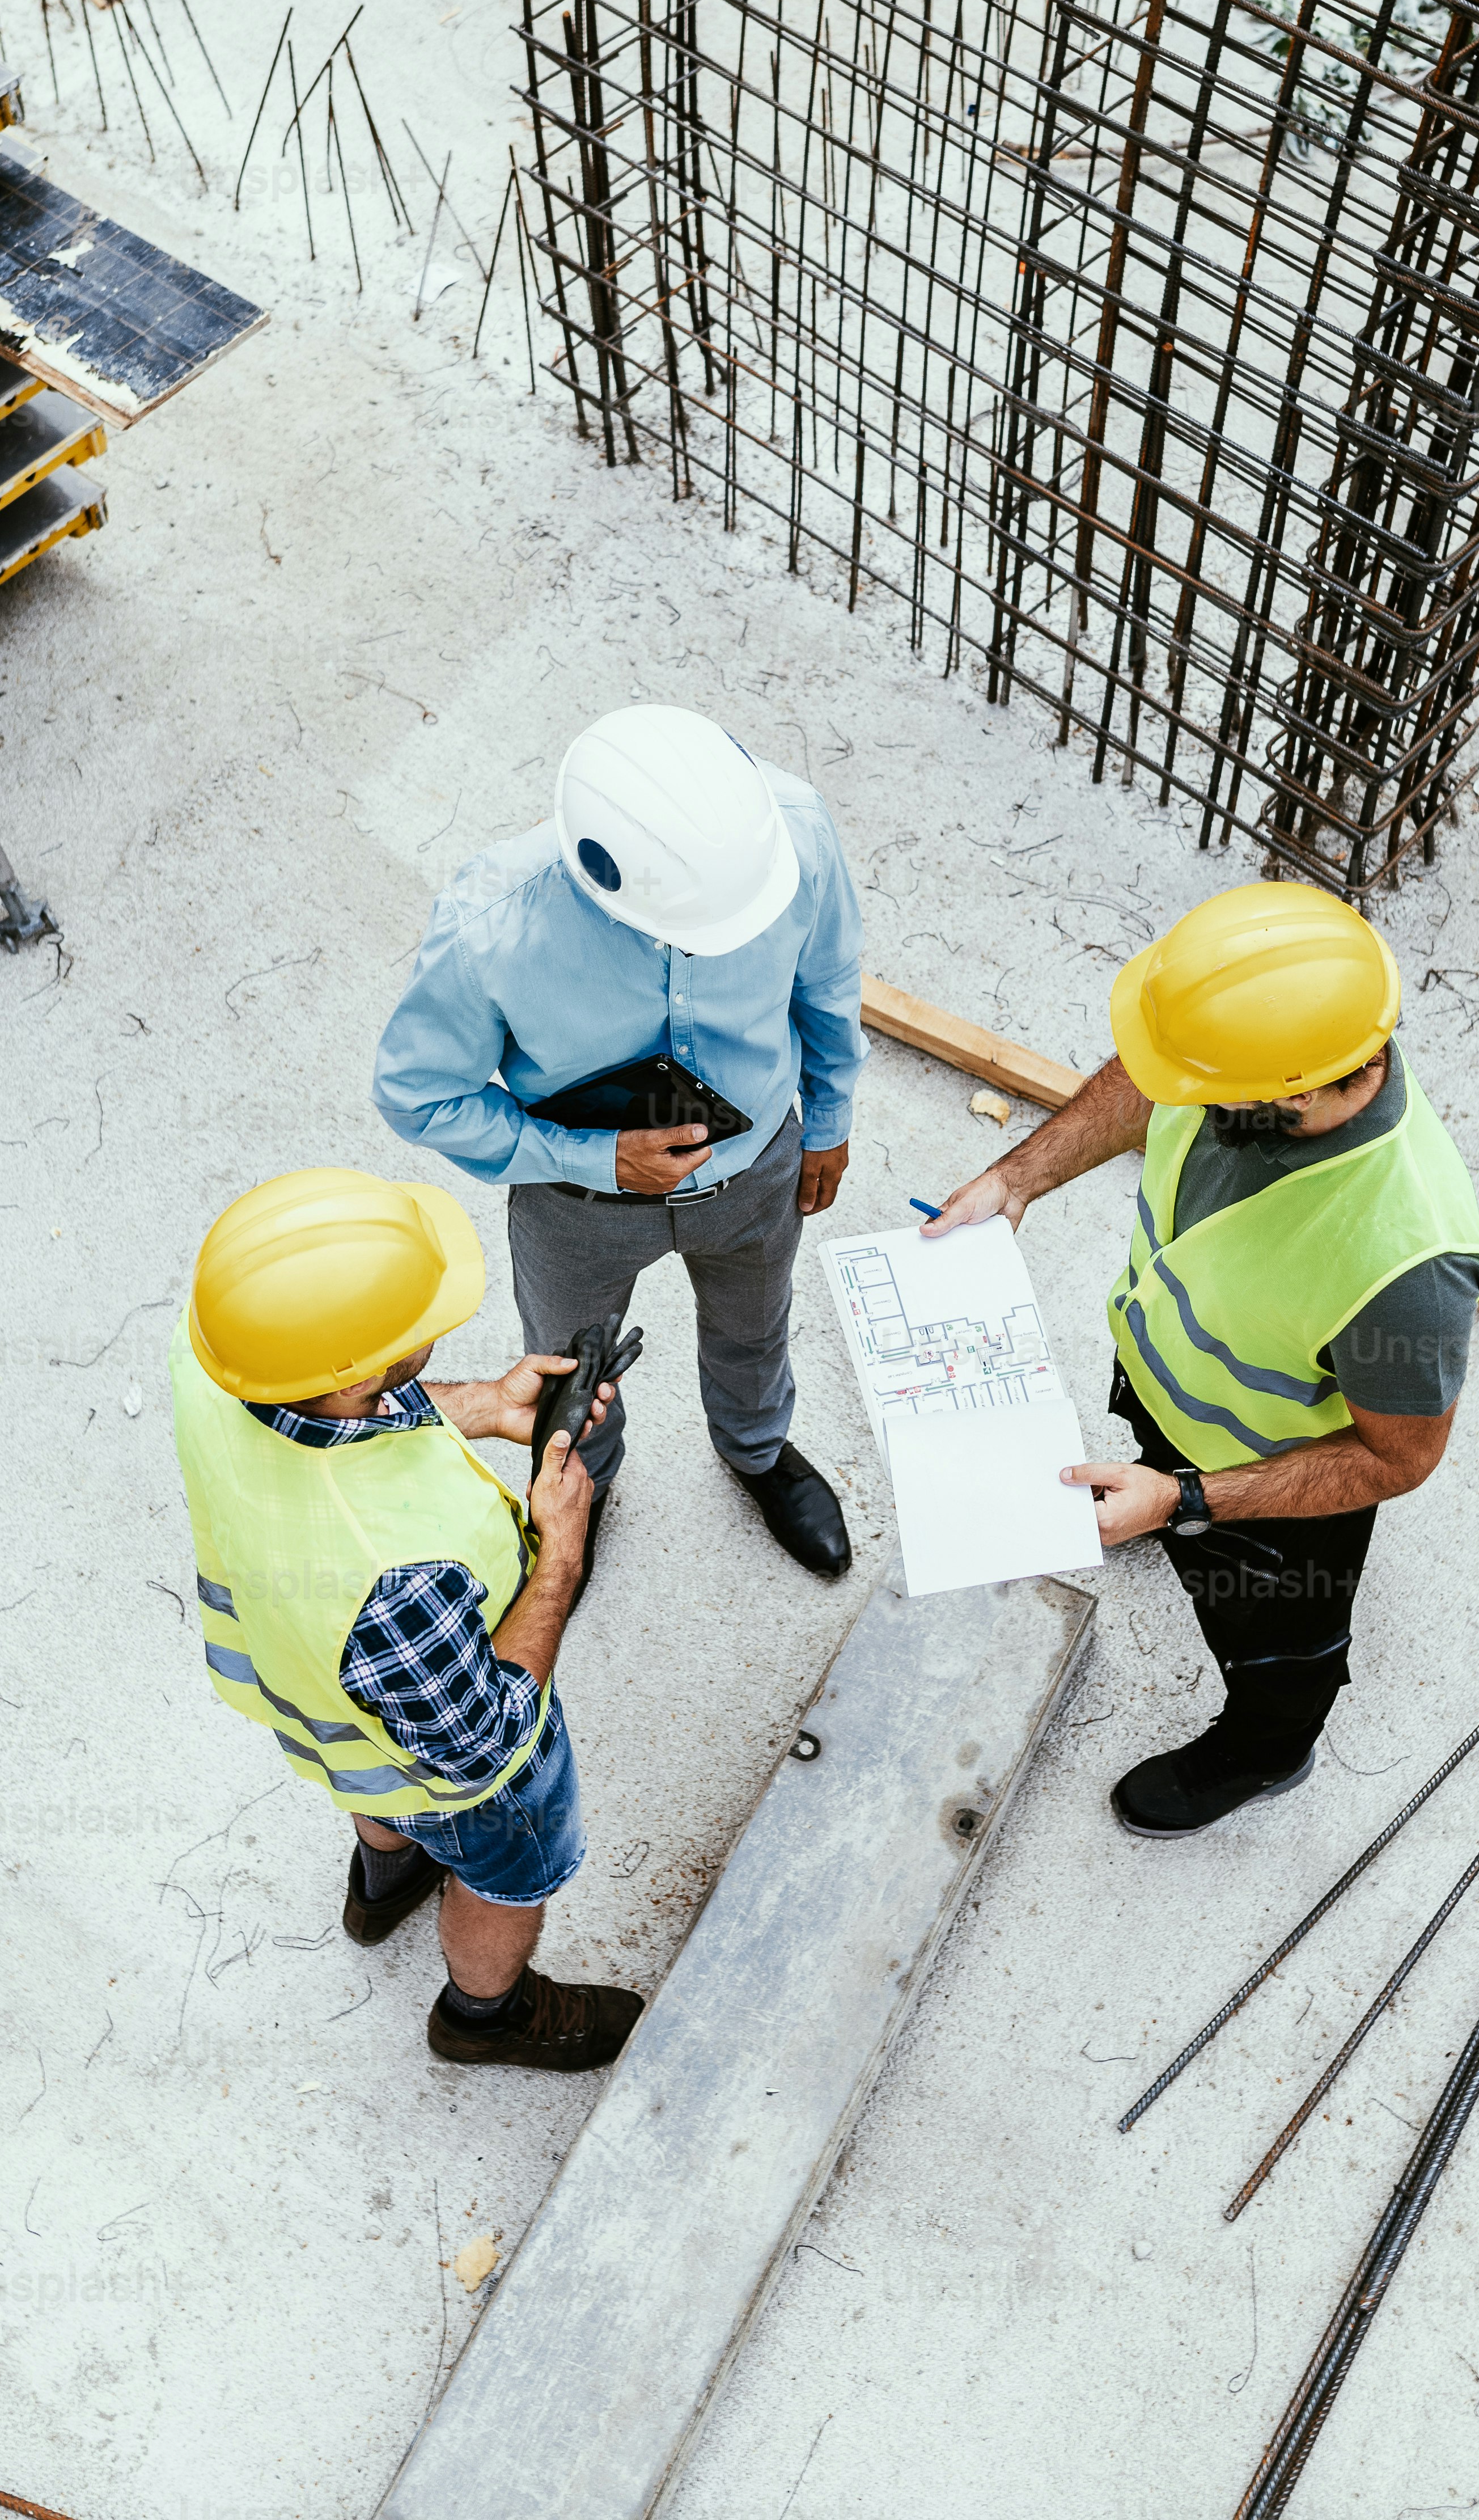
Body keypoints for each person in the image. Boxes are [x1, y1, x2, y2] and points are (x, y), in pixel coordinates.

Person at [919, 882, 1479, 1833]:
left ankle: (1267, 1751)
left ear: (1300, 1089)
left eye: (1204, 1083)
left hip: (1271, 1495)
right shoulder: (1254, 1063)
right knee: (1158, 1500)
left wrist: (1186, 1500)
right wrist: (1020, 1177)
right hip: (1166, 1397)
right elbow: (1151, 1082)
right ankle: (1163, 1513)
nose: (1181, 1092)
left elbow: (1401, 1459)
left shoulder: (1407, 1263)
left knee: (1275, 1636)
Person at [372, 704, 864, 1580]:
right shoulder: (490, 924)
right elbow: (419, 1096)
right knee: (571, 1368)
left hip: (756, 1176)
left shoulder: (793, 837)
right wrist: (593, 1159)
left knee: (757, 1330)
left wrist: (828, 1121)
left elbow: (826, 981)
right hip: (578, 1212)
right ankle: (583, 1489)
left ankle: (756, 1451)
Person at [169, 1166, 643, 2068]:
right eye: (414, 1333)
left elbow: (327, 1421)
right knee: (506, 1867)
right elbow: (484, 1743)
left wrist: (483, 1408)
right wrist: (564, 1553)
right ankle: (484, 2013)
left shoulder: (215, 1359)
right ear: (363, 1374)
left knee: (384, 1794)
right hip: (450, 1757)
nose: (434, 1327)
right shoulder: (397, 1581)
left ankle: (384, 1884)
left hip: (319, 1706)